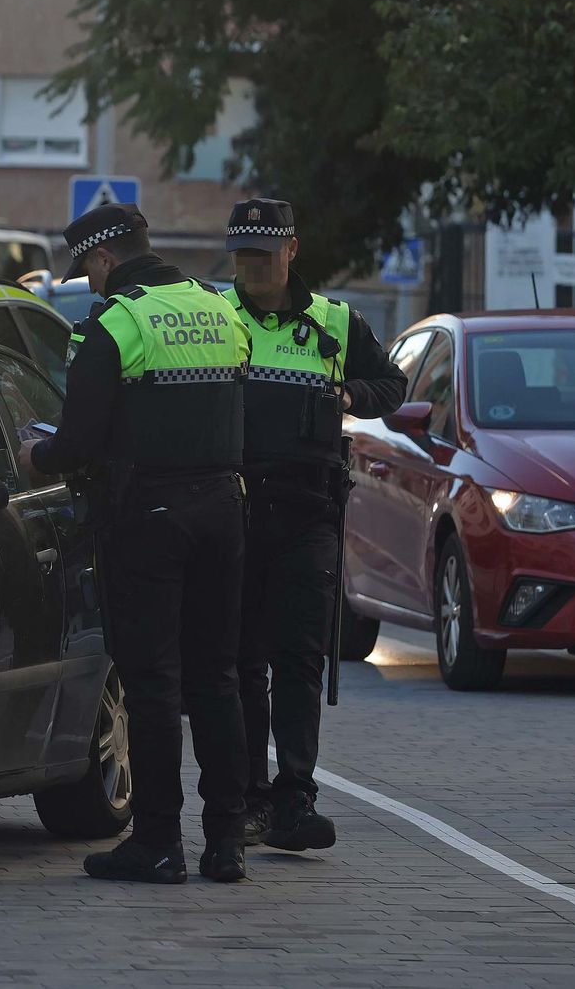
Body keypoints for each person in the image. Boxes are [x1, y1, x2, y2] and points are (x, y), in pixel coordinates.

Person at [19, 203, 253, 884]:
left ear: (104, 259)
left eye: (89, 271)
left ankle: (156, 841)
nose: (90, 284)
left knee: (153, 684)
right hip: (224, 510)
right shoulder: (219, 309)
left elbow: (79, 441)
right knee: (217, 679)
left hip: (150, 518)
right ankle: (227, 841)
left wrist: (39, 458)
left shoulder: (116, 324)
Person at [221, 199, 408, 850]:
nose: (251, 270)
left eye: (263, 257)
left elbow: (395, 384)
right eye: (242, 257)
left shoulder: (334, 322)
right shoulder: (215, 317)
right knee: (242, 663)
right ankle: (246, 799)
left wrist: (351, 395)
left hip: (307, 515)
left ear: (291, 250)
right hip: (236, 511)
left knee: (299, 660)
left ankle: (295, 799)